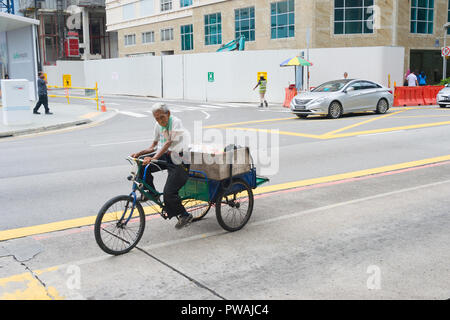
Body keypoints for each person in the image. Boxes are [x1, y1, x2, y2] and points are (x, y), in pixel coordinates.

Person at [131, 103, 192, 229]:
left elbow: (169, 142)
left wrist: (153, 158)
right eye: (156, 118)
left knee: (169, 193)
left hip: (179, 158)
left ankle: (184, 215)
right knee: (141, 164)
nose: (160, 121)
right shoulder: (158, 125)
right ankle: (151, 193)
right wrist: (140, 153)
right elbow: (153, 146)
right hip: (166, 155)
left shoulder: (176, 122)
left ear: (168, 114)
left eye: (161, 117)